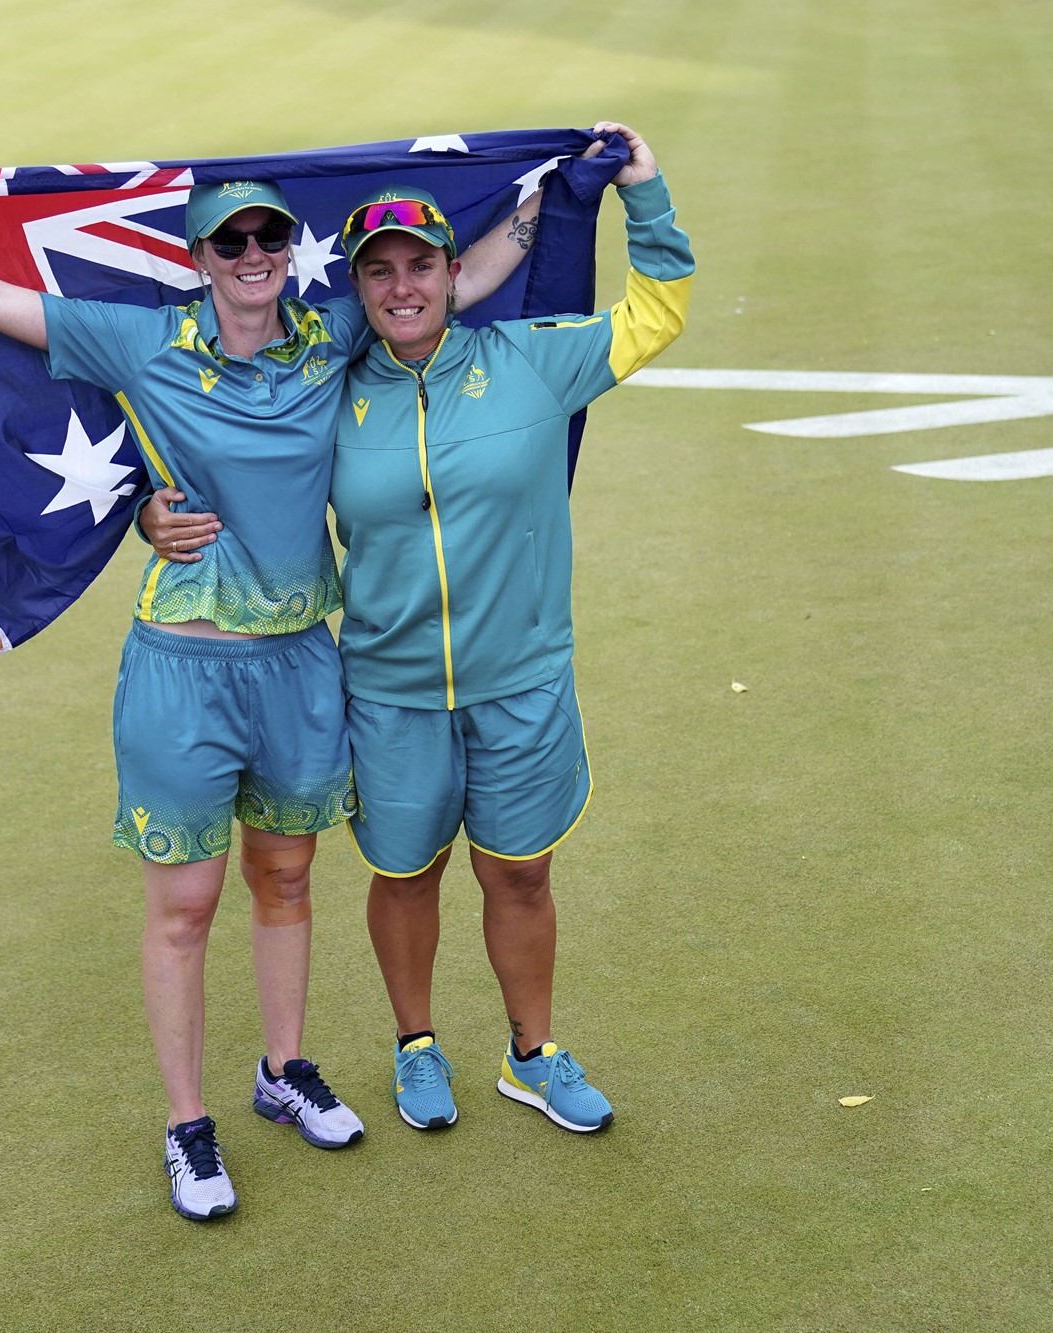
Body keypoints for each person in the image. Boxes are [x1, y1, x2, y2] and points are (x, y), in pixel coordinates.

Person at [0, 172, 544, 1220]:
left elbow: (469, 274)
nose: (252, 254)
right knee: (183, 908)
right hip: (181, 670)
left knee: (287, 879)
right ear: (200, 258)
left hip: (303, 663)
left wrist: (550, 188)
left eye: (267, 237)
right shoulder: (140, 341)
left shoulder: (335, 334)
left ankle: (284, 1068)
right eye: (230, 242)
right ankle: (185, 1123)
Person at [327, 122, 690, 1133]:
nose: (401, 287)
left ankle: (531, 1053)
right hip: (388, 689)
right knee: (405, 873)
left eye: (421, 265)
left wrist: (643, 193)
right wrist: (154, 513)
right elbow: (232, 457)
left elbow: (656, 311)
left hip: (521, 677)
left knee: (518, 870)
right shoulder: (326, 390)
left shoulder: (534, 361)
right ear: (356, 287)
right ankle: (415, 1047)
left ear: (455, 273)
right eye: (379, 271)